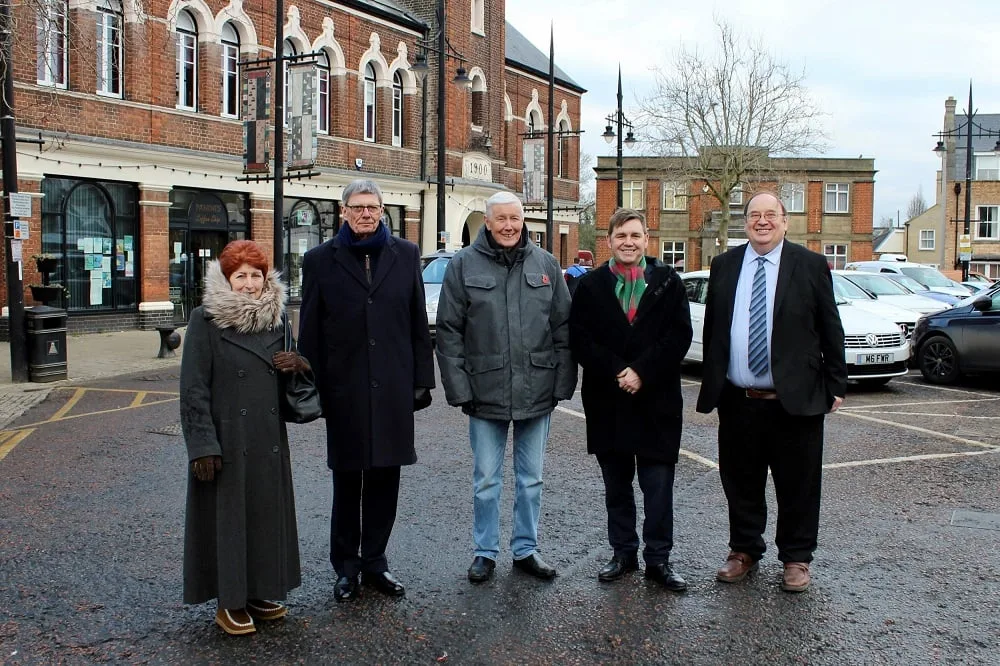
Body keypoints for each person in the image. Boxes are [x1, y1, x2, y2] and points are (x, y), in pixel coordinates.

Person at [696, 191, 847, 593]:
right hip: (739, 399)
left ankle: (796, 558)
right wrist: (712, 382)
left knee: (798, 484)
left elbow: (830, 326)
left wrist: (836, 382)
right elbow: (715, 329)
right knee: (740, 481)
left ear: (785, 221)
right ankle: (744, 549)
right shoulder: (725, 265)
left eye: (770, 215)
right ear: (744, 222)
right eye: (754, 215)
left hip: (794, 401)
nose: (762, 221)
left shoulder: (810, 265)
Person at [297, 179, 434, 602]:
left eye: (372, 207)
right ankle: (346, 568)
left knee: (385, 480)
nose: (365, 214)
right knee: (347, 481)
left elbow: (416, 322)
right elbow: (311, 331)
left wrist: (420, 381)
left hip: (392, 386)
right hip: (344, 389)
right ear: (343, 212)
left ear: (382, 211)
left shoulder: (406, 255)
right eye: (357, 208)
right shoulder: (319, 260)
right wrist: (310, 387)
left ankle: (376, 562)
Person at [436, 190, 577, 583]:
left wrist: (563, 383)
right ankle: (484, 552)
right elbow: (449, 331)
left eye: (515, 218)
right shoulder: (463, 264)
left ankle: (526, 549)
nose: (510, 226)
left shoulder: (546, 263)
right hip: (485, 391)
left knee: (531, 479)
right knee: (486, 480)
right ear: (488, 221)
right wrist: (459, 389)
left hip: (538, 389)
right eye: (501, 219)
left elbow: (563, 327)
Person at [181, 240, 308, 635]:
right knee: (230, 521)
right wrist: (202, 446)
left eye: (256, 275)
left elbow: (292, 387)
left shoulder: (278, 319)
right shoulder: (205, 321)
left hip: (268, 437)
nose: (250, 284)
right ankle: (229, 602)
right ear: (226, 279)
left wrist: (301, 366)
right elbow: (193, 389)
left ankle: (259, 591)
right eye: (241, 276)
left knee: (264, 517)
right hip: (227, 440)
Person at [568, 208, 692, 591]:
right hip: (609, 401)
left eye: (635, 235)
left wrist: (642, 371)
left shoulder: (669, 283)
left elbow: (679, 336)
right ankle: (623, 553)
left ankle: (659, 559)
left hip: (657, 402)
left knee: (658, 487)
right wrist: (619, 370)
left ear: (646, 240)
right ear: (609, 240)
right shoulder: (589, 286)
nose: (628, 242)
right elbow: (580, 339)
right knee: (616, 487)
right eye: (621, 235)